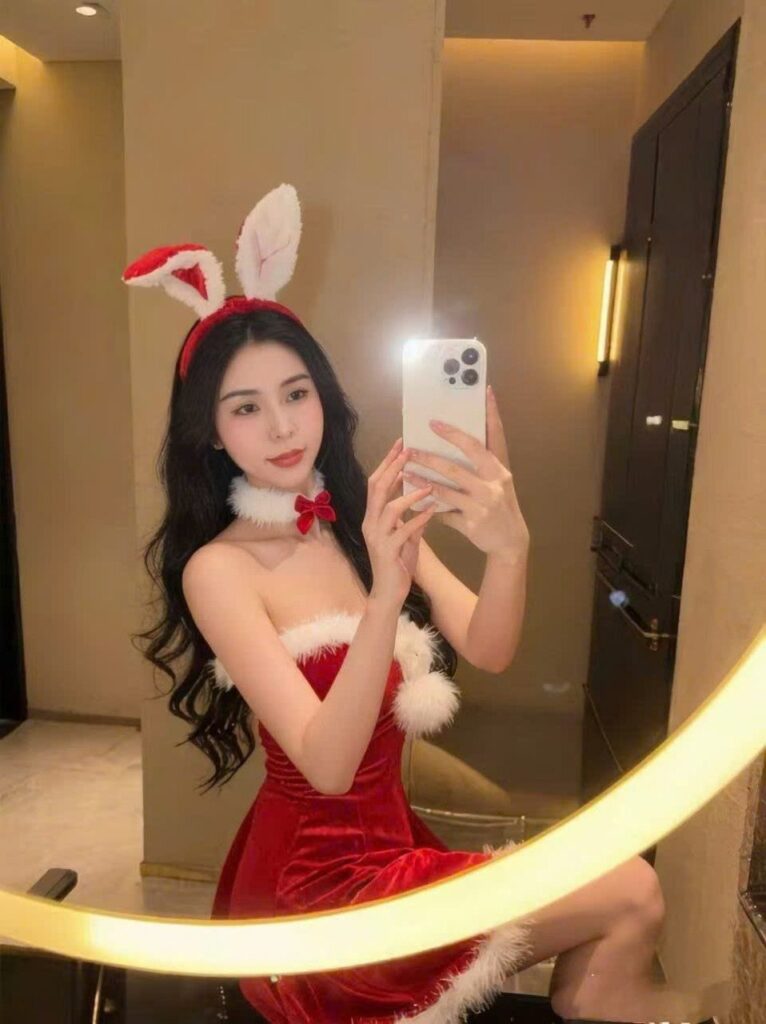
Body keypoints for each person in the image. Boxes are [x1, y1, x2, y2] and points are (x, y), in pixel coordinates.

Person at [126, 185, 712, 1024]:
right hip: (317, 902)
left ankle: (603, 1002)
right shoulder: (219, 571)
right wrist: (385, 595)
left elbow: (489, 644)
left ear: (324, 396)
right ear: (213, 432)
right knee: (632, 890)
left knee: (626, 895)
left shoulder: (355, 519)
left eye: (296, 393)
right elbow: (327, 766)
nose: (283, 427)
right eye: (246, 408)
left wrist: (510, 547)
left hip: (392, 858)